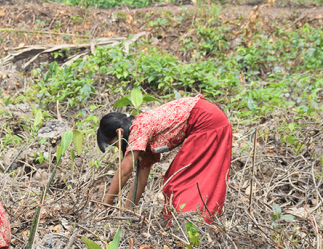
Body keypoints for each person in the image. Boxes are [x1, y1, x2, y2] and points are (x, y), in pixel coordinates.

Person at [97, 94, 232, 221]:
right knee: (190, 178)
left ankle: (189, 220)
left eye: (113, 144)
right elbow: (141, 179)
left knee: (178, 181)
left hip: (206, 121)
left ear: (119, 132)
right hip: (210, 119)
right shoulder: (144, 140)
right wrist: (127, 213)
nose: (117, 148)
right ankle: (193, 219)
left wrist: (105, 205)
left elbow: (124, 172)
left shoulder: (140, 127)